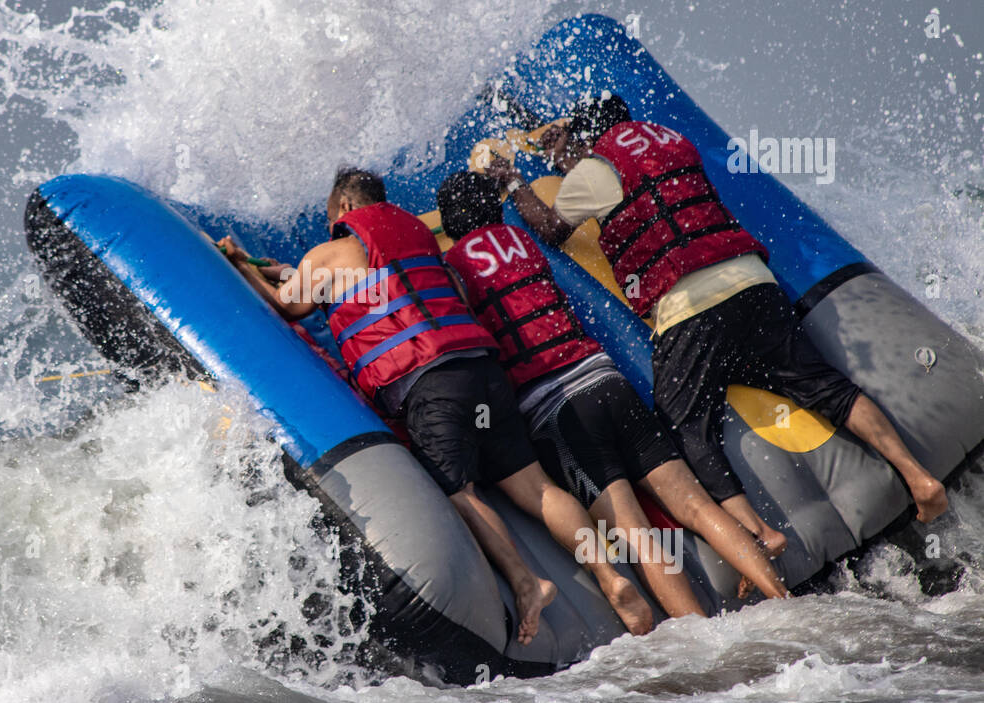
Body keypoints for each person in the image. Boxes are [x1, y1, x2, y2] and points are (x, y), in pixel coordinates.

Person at [484, 93, 948, 543]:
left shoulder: (594, 168)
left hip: (690, 308)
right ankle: (919, 477)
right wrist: (577, 161)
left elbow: (550, 228)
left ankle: (760, 533)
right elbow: (634, 185)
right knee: (824, 386)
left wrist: (512, 181)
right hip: (754, 284)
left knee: (683, 427)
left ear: (589, 139)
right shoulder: (672, 140)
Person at [221, 167, 655, 642]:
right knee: (536, 487)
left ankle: (527, 581)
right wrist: (274, 269)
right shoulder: (422, 240)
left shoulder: (336, 249)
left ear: (345, 208)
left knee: (460, 492)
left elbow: (289, 303)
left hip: (427, 383)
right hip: (482, 372)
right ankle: (610, 575)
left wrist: (240, 265)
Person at [437, 169, 788, 605]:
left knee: (637, 536)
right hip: (608, 379)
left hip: (558, 407)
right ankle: (783, 597)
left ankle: (702, 647)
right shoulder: (523, 243)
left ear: (449, 227)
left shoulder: (451, 269)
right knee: (697, 507)